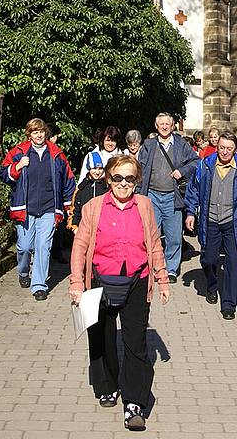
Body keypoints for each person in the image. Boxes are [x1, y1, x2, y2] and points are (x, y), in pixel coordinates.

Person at [69, 155, 170, 431]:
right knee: (101, 337)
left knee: (135, 342)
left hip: (137, 280)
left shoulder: (146, 206)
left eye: (129, 178)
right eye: (117, 178)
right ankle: (107, 386)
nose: (123, 183)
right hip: (100, 279)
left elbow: (154, 243)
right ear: (108, 179)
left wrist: (162, 279)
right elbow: (80, 246)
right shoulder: (93, 207)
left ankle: (135, 403)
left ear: (136, 181)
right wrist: (77, 283)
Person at [184, 130, 237, 320]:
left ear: (235, 149)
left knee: (234, 263)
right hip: (210, 220)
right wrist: (190, 212)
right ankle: (211, 285)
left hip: (233, 222)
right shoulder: (206, 165)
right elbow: (193, 189)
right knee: (209, 259)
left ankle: (228, 303)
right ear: (217, 146)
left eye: (229, 149)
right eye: (221, 148)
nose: (225, 152)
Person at [0, 118, 75, 300]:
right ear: (29, 134)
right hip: (25, 209)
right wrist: (17, 166)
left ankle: (39, 285)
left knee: (43, 246)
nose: (39, 135)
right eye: (35, 132)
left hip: (49, 209)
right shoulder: (19, 152)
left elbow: (68, 181)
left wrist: (68, 207)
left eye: (41, 131)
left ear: (45, 133)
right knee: (25, 247)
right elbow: (2, 174)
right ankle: (24, 272)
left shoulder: (56, 154)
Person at [139, 112, 199, 283]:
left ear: (173, 126)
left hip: (173, 197)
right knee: (152, 235)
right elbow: (140, 168)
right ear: (156, 126)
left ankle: (171, 269)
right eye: (161, 124)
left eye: (167, 124)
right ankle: (154, 268)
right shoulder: (149, 145)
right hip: (151, 195)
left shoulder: (181, 144)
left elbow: (196, 161)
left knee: (173, 236)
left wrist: (182, 171)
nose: (164, 127)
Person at [68, 151, 108, 232]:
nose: (97, 172)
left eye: (100, 169)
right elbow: (75, 210)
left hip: (104, 230)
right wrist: (75, 227)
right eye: (94, 168)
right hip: (84, 230)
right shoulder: (82, 188)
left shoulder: (107, 186)